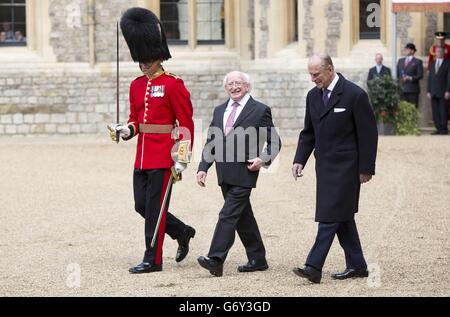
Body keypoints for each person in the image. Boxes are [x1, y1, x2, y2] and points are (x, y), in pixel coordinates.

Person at [108, 7, 195, 274]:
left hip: (163, 157)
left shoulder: (173, 84)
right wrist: (127, 130)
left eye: (147, 59)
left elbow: (186, 124)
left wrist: (181, 158)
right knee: (141, 205)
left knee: (155, 209)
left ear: (158, 57)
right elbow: (136, 119)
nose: (143, 64)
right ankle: (182, 231)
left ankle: (152, 259)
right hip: (142, 156)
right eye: (141, 60)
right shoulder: (136, 85)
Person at [292, 53, 378, 284]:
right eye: (310, 74)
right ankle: (358, 266)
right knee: (342, 217)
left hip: (347, 168)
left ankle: (313, 265)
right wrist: (300, 159)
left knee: (329, 216)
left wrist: (366, 168)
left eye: (316, 74)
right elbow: (308, 132)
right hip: (325, 167)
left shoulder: (354, 94)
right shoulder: (312, 96)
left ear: (330, 69)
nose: (313, 79)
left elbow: (368, 134)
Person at [196, 71, 281, 277]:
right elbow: (212, 142)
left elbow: (275, 141)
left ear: (247, 87)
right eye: (230, 84)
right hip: (224, 172)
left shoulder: (260, 110)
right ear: (226, 88)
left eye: (239, 83)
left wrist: (262, 159)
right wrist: (203, 167)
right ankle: (258, 258)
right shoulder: (219, 111)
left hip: (246, 171)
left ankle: (215, 259)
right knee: (243, 216)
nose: (234, 87)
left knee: (227, 214)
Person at [427, 46, 450, 135]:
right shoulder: (432, 63)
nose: (438, 53)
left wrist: (448, 90)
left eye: (440, 51)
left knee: (443, 111)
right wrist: (428, 90)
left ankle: (444, 129)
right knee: (435, 111)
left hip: (443, 91)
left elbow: (449, 78)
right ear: (435, 53)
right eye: (437, 52)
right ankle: (438, 128)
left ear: (443, 53)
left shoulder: (447, 63)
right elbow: (430, 78)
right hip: (433, 91)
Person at [397, 43, 424, 109]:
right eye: (405, 49)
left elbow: (420, 75)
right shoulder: (400, 61)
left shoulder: (417, 61)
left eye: (407, 49)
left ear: (412, 51)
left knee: (413, 109)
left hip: (412, 90)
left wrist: (410, 78)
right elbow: (397, 74)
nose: (405, 50)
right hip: (402, 90)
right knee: (403, 110)